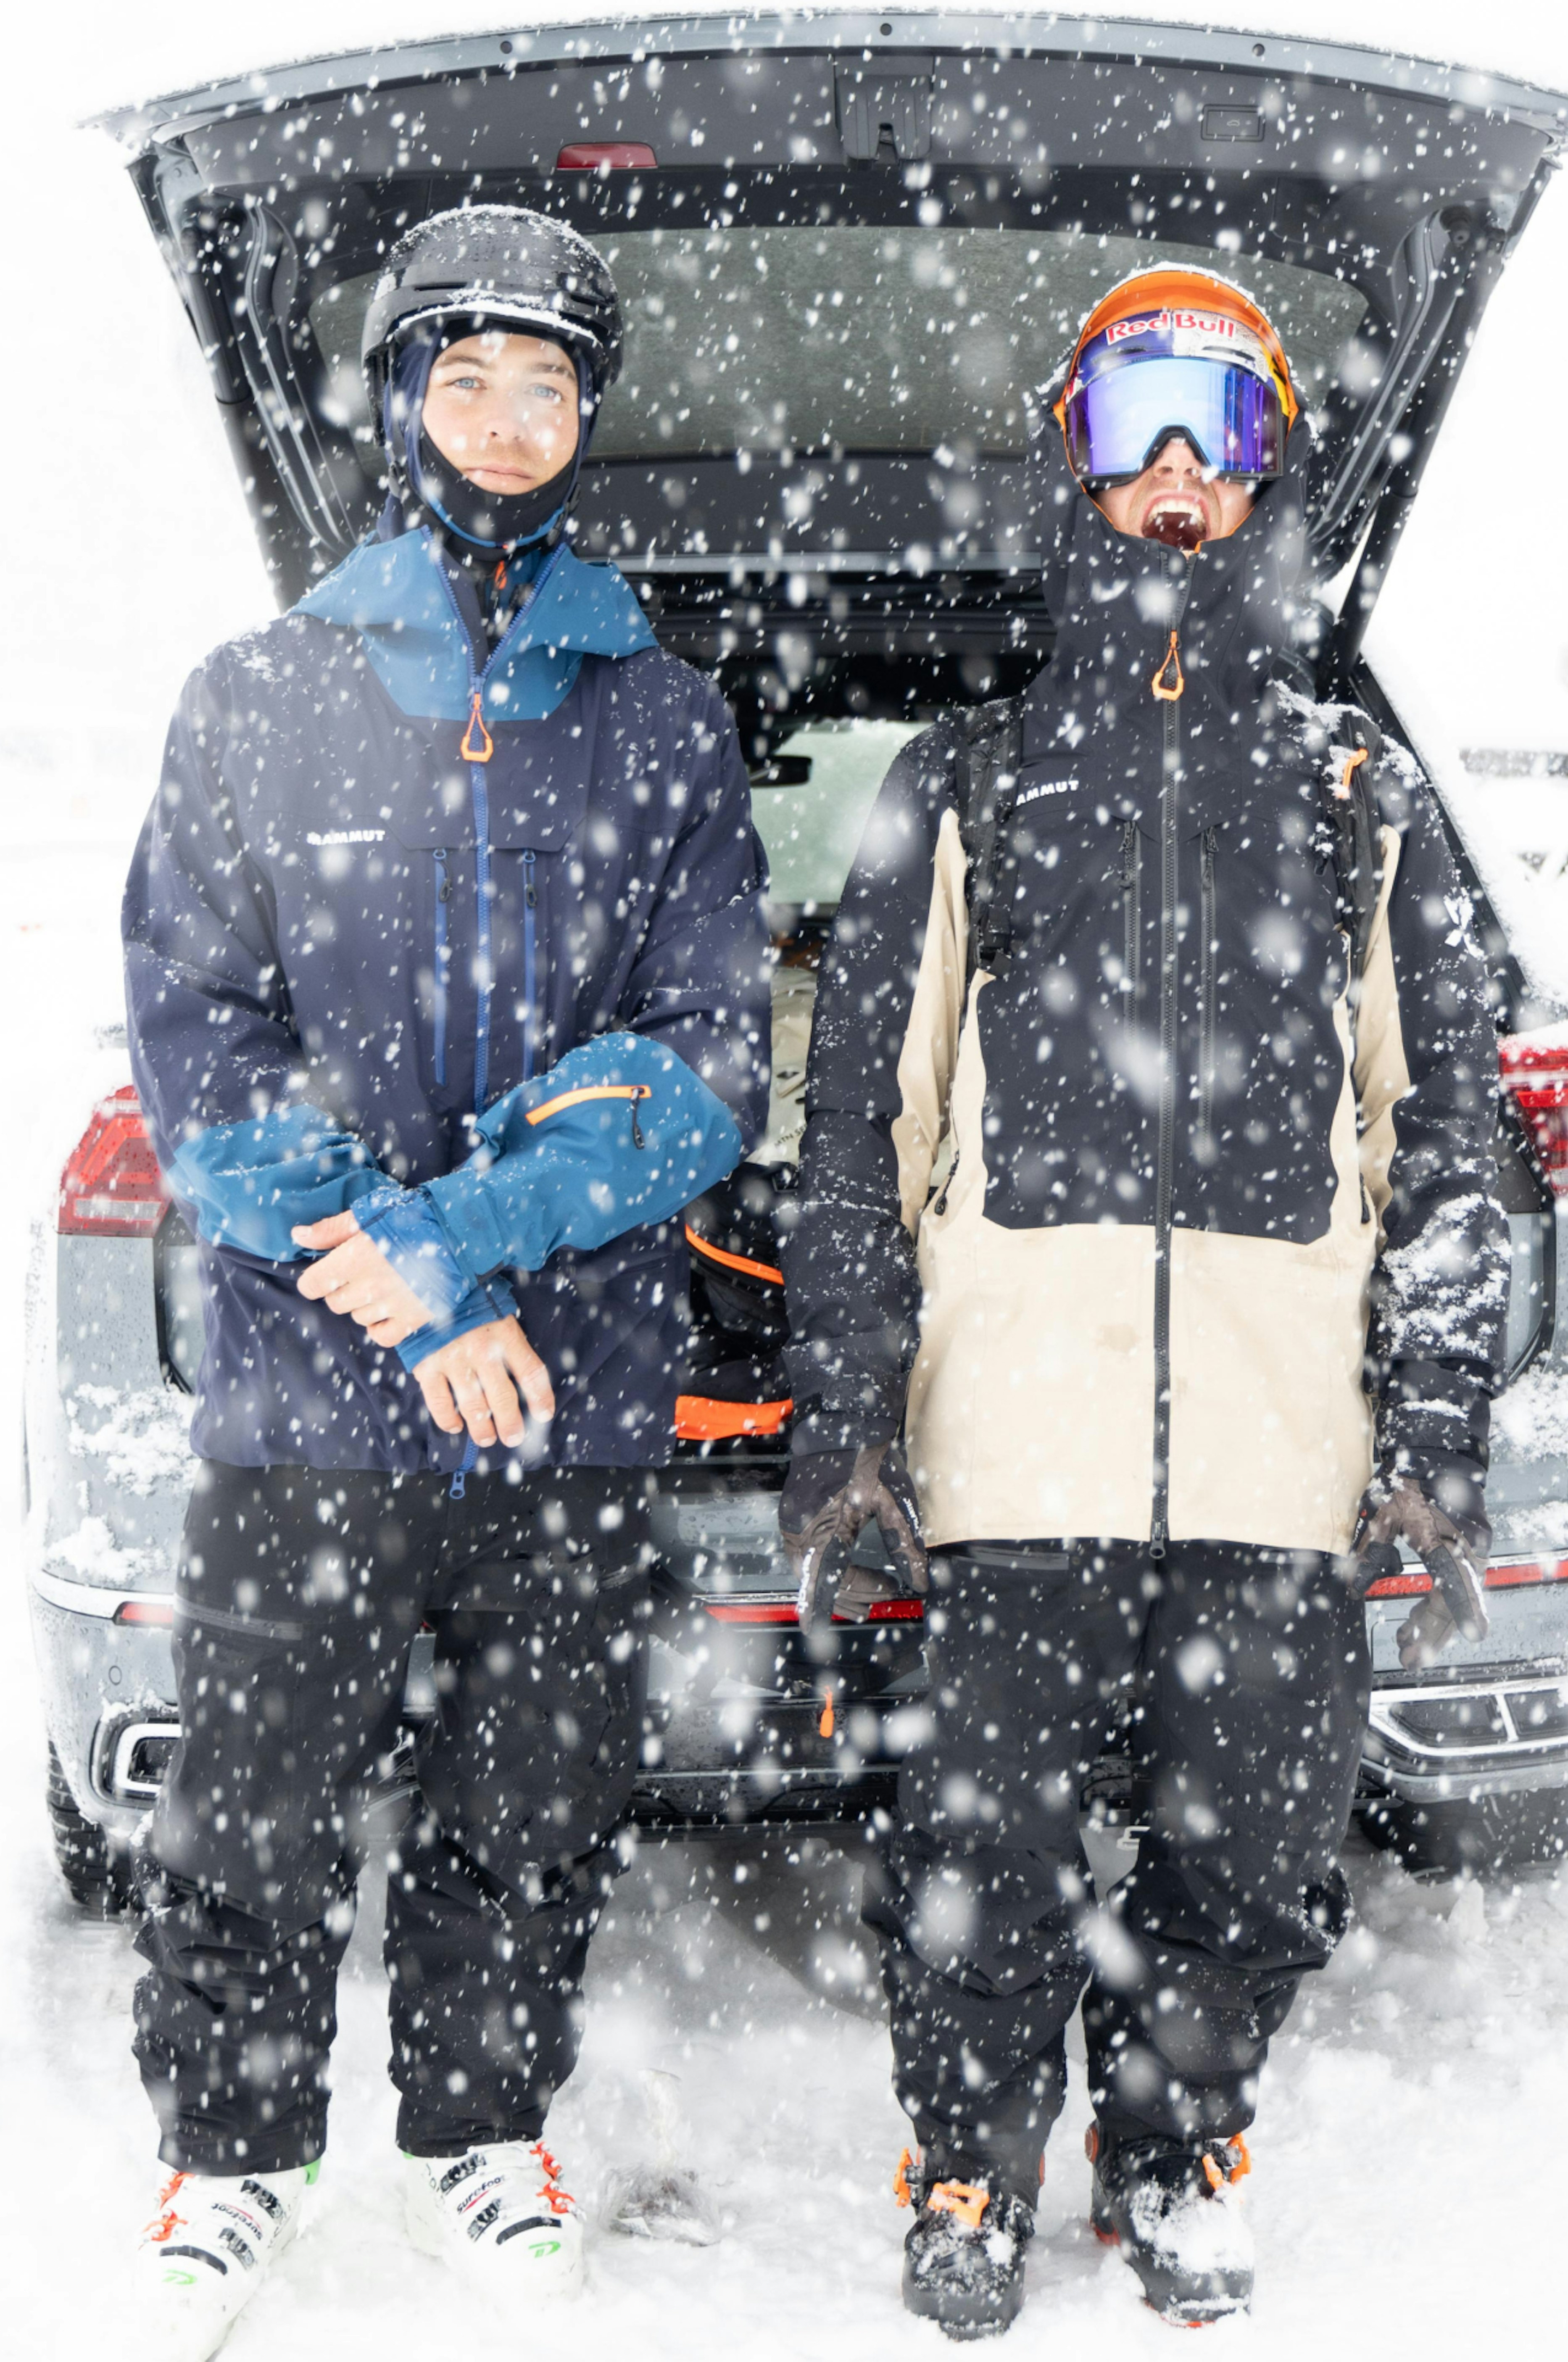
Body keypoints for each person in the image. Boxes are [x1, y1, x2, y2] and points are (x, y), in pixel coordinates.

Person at [778, 268, 1506, 2337]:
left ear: (1270, 468)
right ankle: (964, 2161)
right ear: (1072, 462)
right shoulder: (969, 783)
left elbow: (1447, 1141)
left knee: (1257, 1861)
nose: (1174, 479)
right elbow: (866, 1138)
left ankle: (1176, 2151)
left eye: (1217, 431)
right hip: (1016, 1444)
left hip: (1282, 1461)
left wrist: (1431, 1421)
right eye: (1130, 429)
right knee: (985, 1857)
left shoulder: (1362, 798)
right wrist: (844, 1404)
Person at [123, 204, 770, 2357]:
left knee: (532, 1784)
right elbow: (201, 1039)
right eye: (468, 379)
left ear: (589, 422)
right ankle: (233, 2150)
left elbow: (705, 1067)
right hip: (318, 1398)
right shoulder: (260, 699)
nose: (507, 425)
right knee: (258, 1789)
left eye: (549, 387)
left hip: (565, 1401)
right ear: (397, 399)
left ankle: (473, 2126)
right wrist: (404, 1285)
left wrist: (461, 1239)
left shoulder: (663, 722)